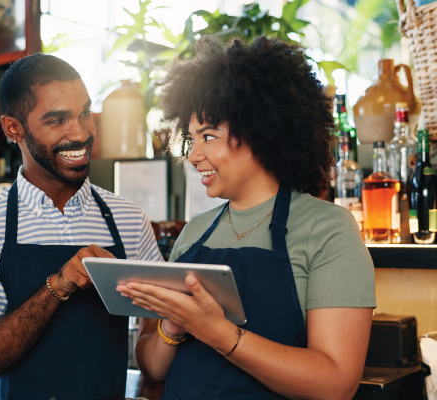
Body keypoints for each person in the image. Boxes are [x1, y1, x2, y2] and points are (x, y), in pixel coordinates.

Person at [118, 36, 376, 400]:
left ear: (259, 130)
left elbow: (336, 383)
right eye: (192, 140)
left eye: (209, 136)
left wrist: (216, 332)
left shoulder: (327, 229)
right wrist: (172, 326)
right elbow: (153, 366)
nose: (194, 156)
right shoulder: (194, 233)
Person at [0, 53, 163, 400]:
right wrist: (58, 285)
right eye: (57, 120)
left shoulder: (127, 219)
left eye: (84, 114)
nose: (80, 133)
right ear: (13, 128)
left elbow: (156, 331)